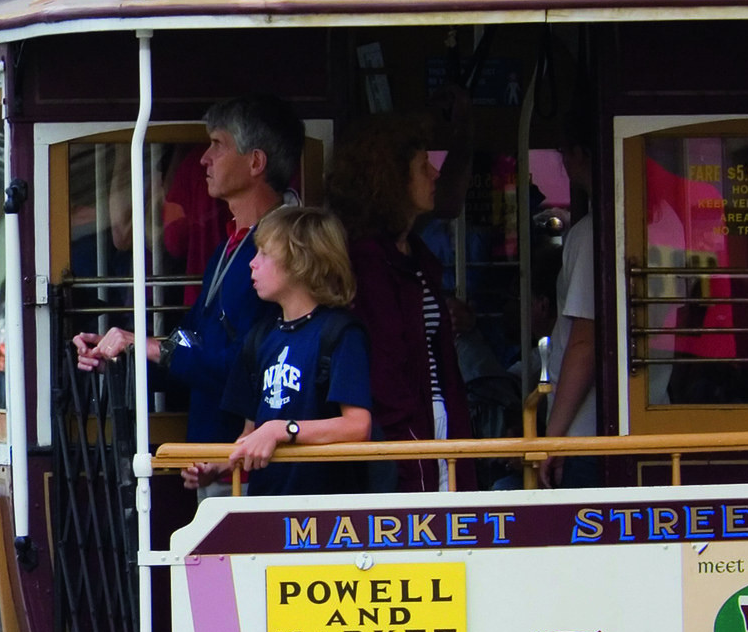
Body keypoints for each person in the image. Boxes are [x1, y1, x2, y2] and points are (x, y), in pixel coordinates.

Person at [76, 97, 302, 451]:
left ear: (256, 162)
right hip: (212, 453)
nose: (203, 159)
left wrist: (147, 347)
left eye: (217, 145)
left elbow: (250, 368)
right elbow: (191, 351)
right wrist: (118, 359)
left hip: (247, 460)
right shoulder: (228, 249)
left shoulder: (284, 256)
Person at [179, 205, 374, 497]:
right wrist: (218, 467)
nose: (252, 264)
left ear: (302, 262)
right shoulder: (259, 337)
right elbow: (249, 433)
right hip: (267, 507)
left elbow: (358, 426)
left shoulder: (341, 334)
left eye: (265, 254)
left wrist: (282, 430)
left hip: (328, 514)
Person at [330, 111, 472, 490]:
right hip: (409, 436)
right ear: (392, 179)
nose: (435, 174)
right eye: (424, 166)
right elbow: (386, 372)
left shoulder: (416, 256)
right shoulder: (370, 263)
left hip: (435, 423)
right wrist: (412, 451)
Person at [541, 127, 601, 487]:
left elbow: (585, 343)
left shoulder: (592, 234)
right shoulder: (667, 221)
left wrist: (553, 438)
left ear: (579, 151)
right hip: (650, 414)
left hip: (586, 433)